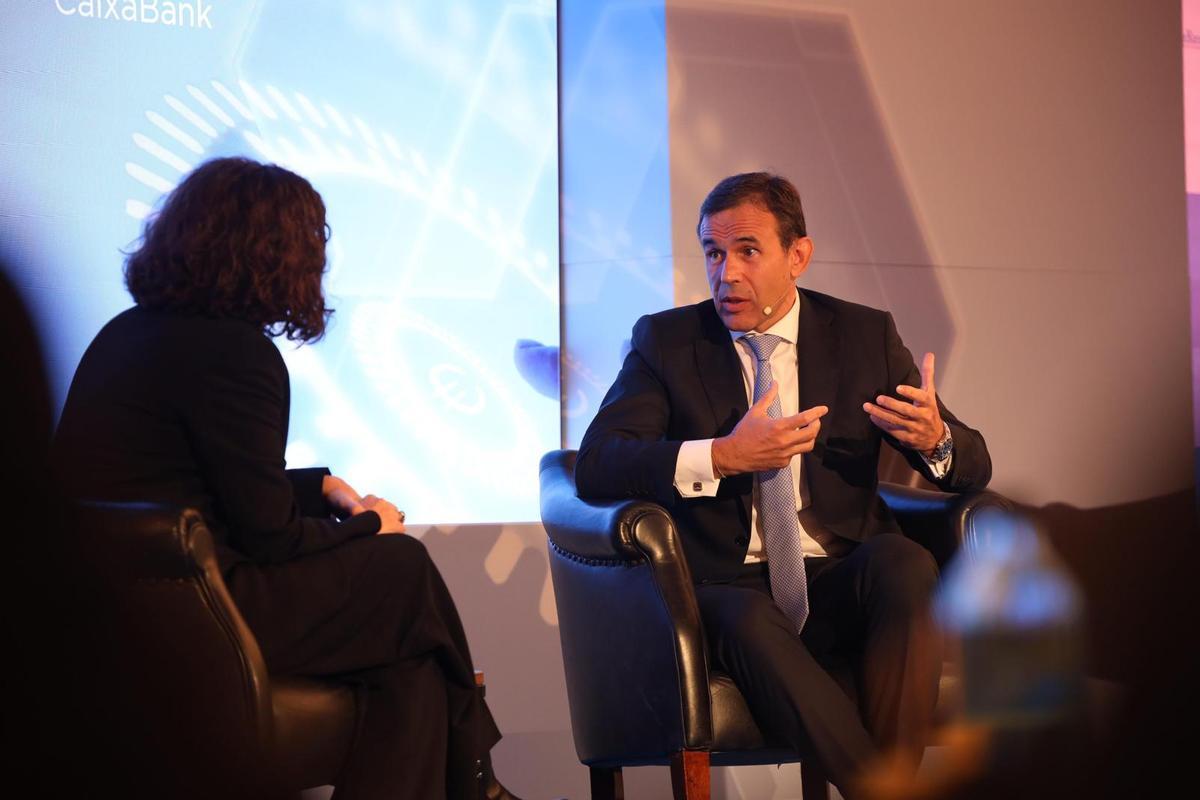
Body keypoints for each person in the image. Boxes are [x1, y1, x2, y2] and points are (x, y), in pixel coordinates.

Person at [51, 157, 520, 800]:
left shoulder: (125, 334)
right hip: (209, 608)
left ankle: (477, 782)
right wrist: (367, 527)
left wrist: (320, 485)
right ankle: (479, 782)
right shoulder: (238, 354)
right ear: (276, 253)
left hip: (130, 608)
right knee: (401, 567)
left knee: (408, 670)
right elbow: (269, 537)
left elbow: (201, 479)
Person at [574, 172, 992, 797]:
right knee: (745, 614)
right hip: (723, 585)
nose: (726, 273)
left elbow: (974, 466)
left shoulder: (862, 335)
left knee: (903, 560)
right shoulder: (668, 341)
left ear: (797, 255)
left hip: (835, 577)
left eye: (747, 251)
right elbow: (598, 462)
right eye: (713, 253)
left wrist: (936, 440)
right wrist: (720, 456)